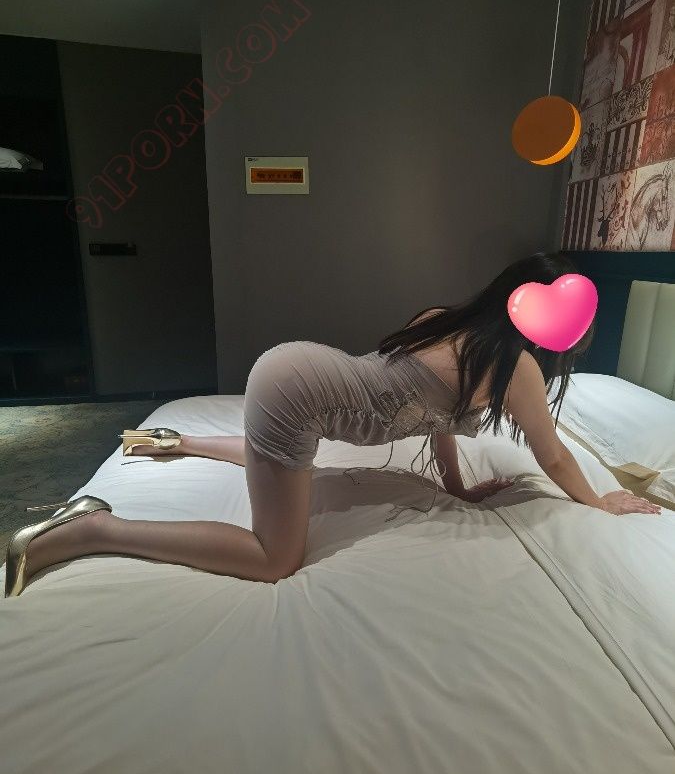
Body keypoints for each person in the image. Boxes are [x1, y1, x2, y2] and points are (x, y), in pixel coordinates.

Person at [4, 251, 661, 597]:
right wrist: (600, 500)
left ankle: (180, 443)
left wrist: (457, 487)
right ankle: (93, 528)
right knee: (274, 560)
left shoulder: (448, 322)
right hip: (296, 394)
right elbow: (553, 457)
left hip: (295, 373)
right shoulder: (517, 369)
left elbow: (439, 418)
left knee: (298, 467)